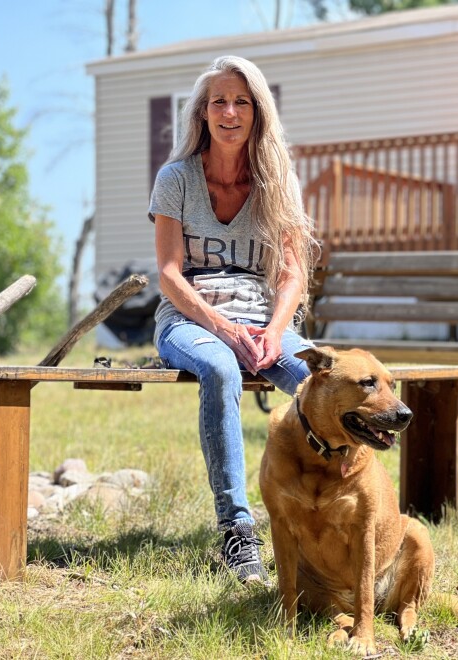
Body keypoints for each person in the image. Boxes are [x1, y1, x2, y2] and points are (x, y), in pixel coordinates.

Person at [148, 55, 317, 585]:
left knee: (321, 382)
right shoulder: (175, 178)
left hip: (263, 319)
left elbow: (292, 276)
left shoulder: (276, 181)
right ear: (202, 113)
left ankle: (333, 514)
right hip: (190, 320)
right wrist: (224, 330)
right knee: (221, 370)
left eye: (241, 101)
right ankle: (237, 531)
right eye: (219, 101)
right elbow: (170, 276)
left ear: (258, 113)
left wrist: (270, 333)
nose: (229, 111)